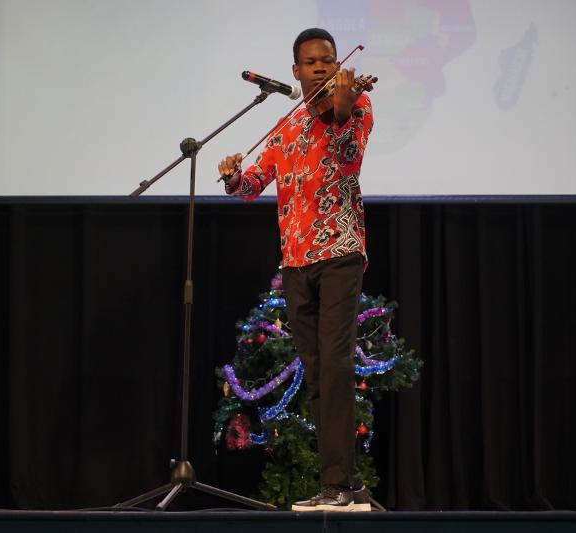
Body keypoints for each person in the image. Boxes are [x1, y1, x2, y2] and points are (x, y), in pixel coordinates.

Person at [218, 28, 374, 512]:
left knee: (336, 365)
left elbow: (348, 161)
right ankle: (348, 484)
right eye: (311, 62)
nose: (322, 67)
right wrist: (234, 176)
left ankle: (336, 486)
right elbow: (254, 184)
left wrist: (343, 110)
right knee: (318, 371)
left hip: (339, 252)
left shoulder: (356, 107)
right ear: (296, 71)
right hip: (296, 261)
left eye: (328, 60)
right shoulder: (287, 125)